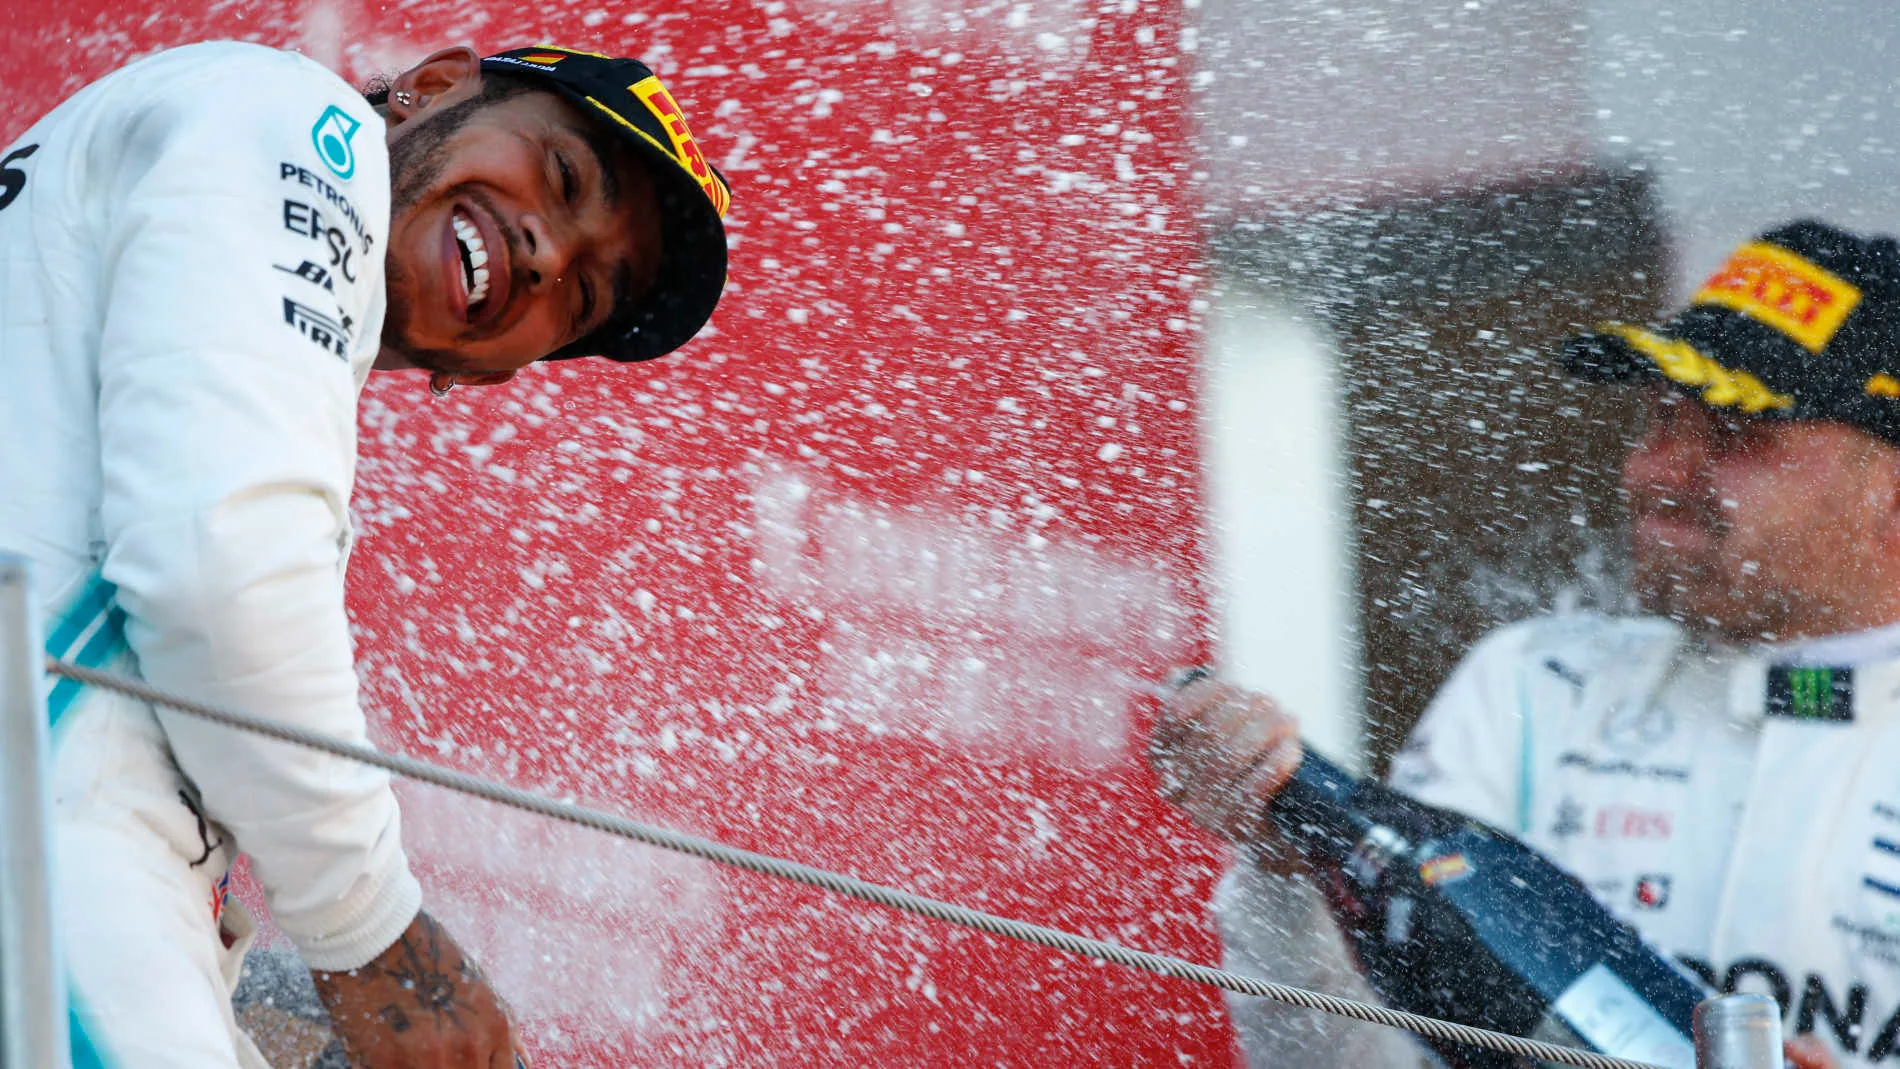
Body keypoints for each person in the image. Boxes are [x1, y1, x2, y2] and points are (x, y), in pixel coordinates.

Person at [0, 38, 731, 1068]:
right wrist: (379, 940)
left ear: (483, 377)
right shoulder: (297, 117)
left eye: (582, 298)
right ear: (430, 86)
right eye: (562, 178)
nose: (546, 253)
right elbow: (218, 569)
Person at [1149, 220, 1900, 1069]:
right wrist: (1290, 874)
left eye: (1737, 434)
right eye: (1661, 419)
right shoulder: (1537, 685)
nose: (1656, 471)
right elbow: (1343, 1062)